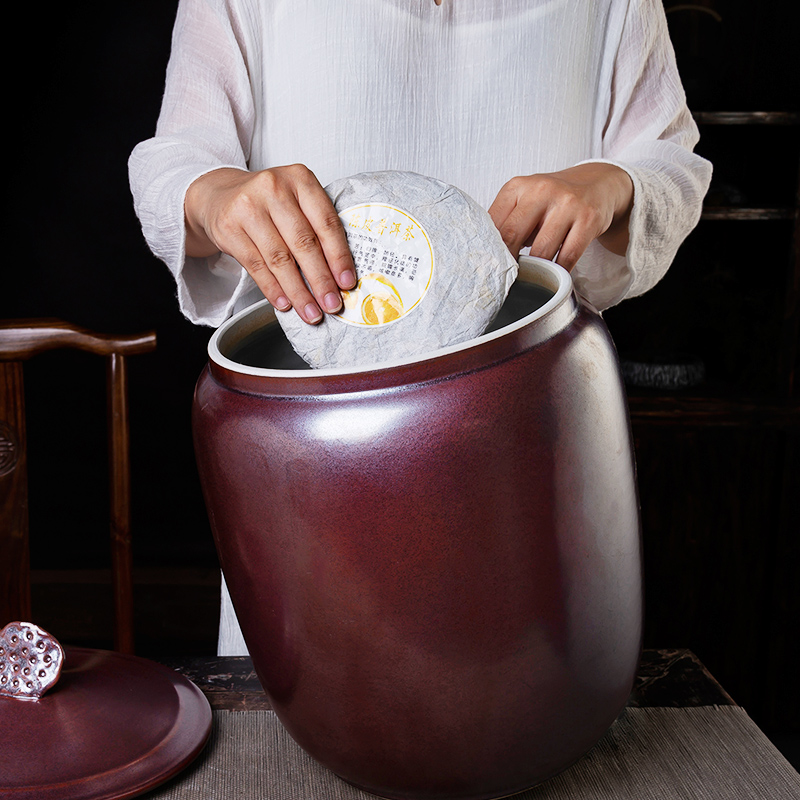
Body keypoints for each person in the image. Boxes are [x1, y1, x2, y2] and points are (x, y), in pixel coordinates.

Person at [129, 0, 712, 655]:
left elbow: (674, 164)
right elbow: (174, 160)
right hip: (314, 456)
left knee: (528, 695)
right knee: (307, 702)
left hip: (530, 437)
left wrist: (615, 184)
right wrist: (214, 196)